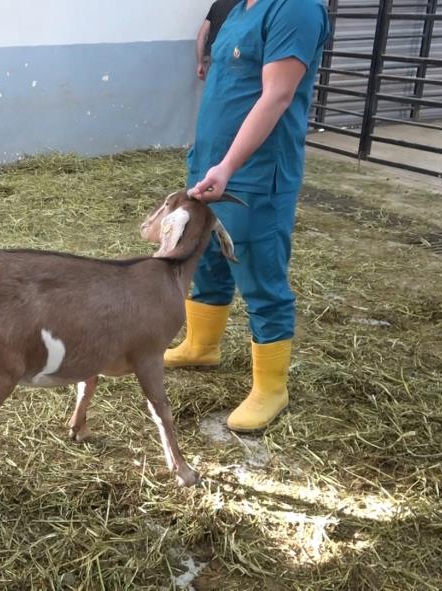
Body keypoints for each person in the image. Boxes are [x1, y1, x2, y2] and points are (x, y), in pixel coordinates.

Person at [167, 0, 330, 432]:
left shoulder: (295, 9)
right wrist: (207, 156)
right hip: (211, 163)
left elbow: (277, 94)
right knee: (205, 256)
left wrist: (229, 165)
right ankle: (202, 344)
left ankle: (271, 389)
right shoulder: (239, 7)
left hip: (254, 174)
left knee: (259, 274)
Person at [195, 0, 245, 81]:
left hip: (212, 57)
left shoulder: (217, 5)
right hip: (233, 57)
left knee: (211, 91)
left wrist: (200, 63)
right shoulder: (245, 6)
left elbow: (201, 35)